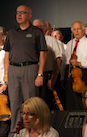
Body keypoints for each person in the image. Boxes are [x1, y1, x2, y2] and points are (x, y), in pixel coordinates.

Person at [3, 5, 47, 137]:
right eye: (17, 12)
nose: (19, 15)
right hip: (13, 70)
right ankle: (14, 133)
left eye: (22, 12)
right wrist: (6, 74)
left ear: (29, 15)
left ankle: (32, 132)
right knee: (15, 103)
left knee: (31, 104)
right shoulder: (11, 32)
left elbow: (43, 54)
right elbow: (6, 55)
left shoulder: (36, 32)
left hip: (30, 68)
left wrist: (39, 74)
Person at [61, 21, 87, 110]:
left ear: (83, 30)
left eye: (78, 29)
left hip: (83, 74)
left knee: (81, 101)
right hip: (70, 74)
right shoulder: (69, 44)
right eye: (74, 29)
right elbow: (64, 61)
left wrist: (79, 63)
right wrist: (62, 77)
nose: (76, 31)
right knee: (70, 101)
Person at [33, 19, 63, 110]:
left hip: (47, 75)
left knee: (46, 104)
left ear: (44, 28)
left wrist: (53, 78)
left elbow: (58, 59)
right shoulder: (30, 40)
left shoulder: (51, 40)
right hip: (33, 74)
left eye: (38, 27)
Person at [0, 26, 10, 137]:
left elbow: (10, 68)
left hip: (4, 86)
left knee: (4, 117)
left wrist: (5, 84)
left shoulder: (7, 51)